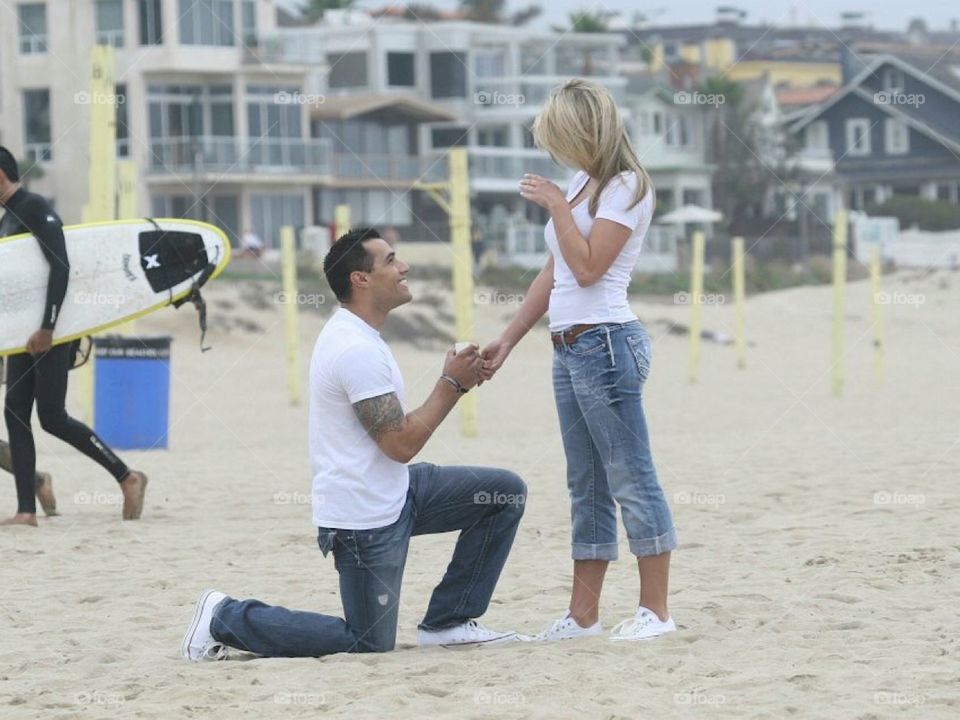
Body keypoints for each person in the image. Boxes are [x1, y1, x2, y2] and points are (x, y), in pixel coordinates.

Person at [181, 228, 526, 662]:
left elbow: (396, 445)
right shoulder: (352, 348)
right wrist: (453, 383)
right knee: (366, 642)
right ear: (360, 279)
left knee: (503, 494)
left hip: (397, 491)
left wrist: (456, 381)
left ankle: (449, 622)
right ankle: (223, 616)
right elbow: (399, 444)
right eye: (391, 261)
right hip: (363, 519)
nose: (404, 267)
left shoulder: (363, 337)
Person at [480, 79, 679, 641]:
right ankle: (583, 615)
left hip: (607, 343)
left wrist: (553, 207)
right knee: (585, 483)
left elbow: (589, 267)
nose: (556, 151)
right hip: (568, 345)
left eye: (560, 137)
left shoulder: (628, 186)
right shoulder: (581, 182)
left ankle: (657, 612)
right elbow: (556, 271)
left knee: (631, 475)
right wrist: (509, 338)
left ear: (584, 130)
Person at [0, 146, 148, 527]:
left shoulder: (34, 208)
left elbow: (61, 265)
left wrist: (49, 327)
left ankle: (127, 476)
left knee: (52, 417)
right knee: (15, 411)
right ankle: (26, 511)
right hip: (23, 334)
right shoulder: (8, 218)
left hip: (53, 330)